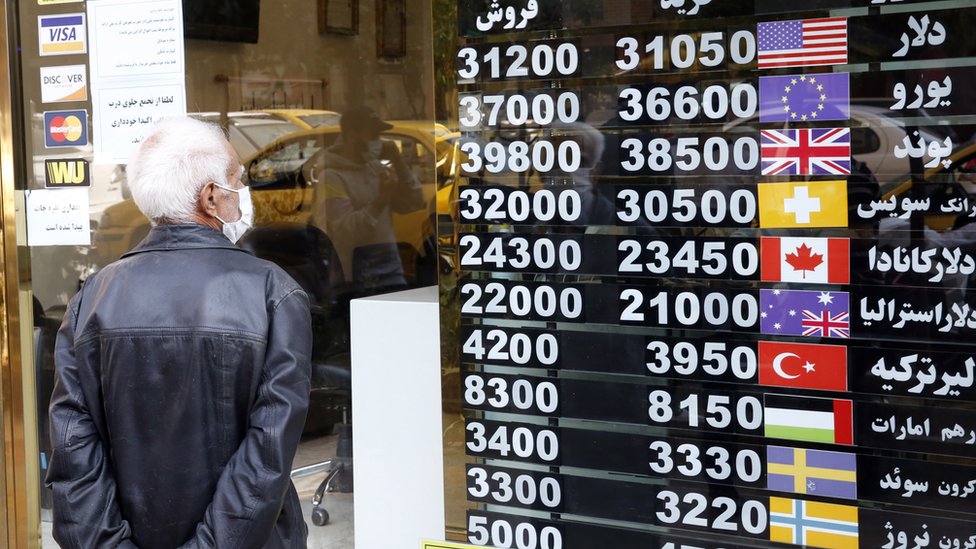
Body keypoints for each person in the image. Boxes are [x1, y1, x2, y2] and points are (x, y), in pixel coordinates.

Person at [46, 116, 312, 549]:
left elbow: (74, 453)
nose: (242, 192)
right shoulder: (272, 293)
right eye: (236, 179)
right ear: (210, 197)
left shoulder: (92, 298)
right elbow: (267, 456)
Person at [311, 106, 425, 295]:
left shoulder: (375, 168)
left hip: (391, 273)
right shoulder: (331, 178)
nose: (378, 142)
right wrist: (381, 200)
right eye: (373, 135)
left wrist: (398, 160)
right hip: (356, 279)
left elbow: (413, 202)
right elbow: (346, 231)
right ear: (353, 135)